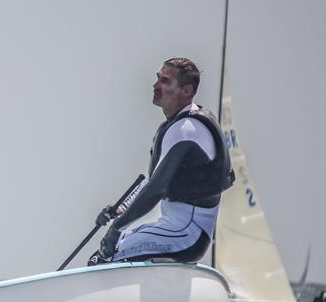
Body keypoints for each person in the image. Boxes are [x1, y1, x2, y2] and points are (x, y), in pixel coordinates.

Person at [88, 57, 234, 266]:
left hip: (187, 234)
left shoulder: (187, 130)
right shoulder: (177, 125)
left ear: (186, 91)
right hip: (176, 229)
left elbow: (156, 189)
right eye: (158, 78)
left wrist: (116, 227)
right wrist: (121, 209)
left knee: (104, 259)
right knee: (108, 250)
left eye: (165, 81)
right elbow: (151, 181)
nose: (156, 85)